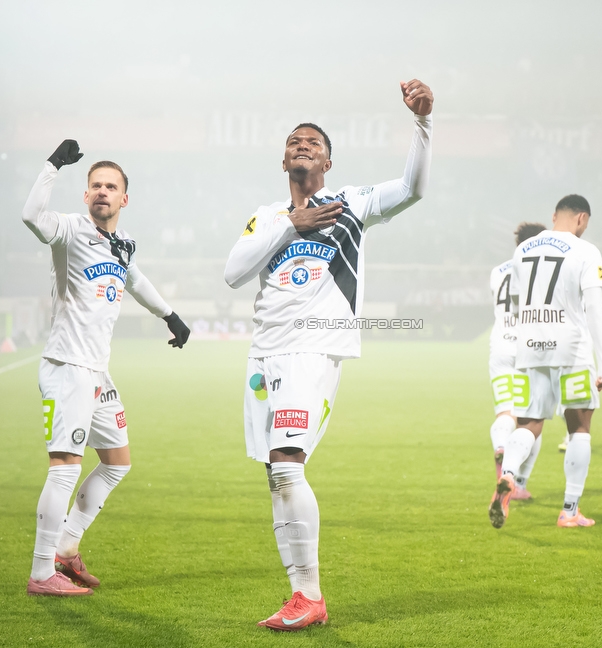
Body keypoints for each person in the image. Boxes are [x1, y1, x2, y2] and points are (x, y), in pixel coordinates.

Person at [224, 80, 433, 631]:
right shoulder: (268, 215)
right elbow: (233, 271)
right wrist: (289, 225)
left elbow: (412, 188)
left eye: (313, 141)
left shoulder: (351, 205)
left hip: (312, 346)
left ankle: (310, 595)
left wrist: (423, 124)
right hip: (264, 355)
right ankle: (301, 597)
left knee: (288, 465)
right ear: (282, 158)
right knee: (276, 471)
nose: (302, 144)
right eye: (294, 140)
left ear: (329, 161)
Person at [22, 140, 190, 596]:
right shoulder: (71, 230)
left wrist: (169, 315)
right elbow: (32, 217)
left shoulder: (122, 243)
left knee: (117, 463)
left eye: (110, 186)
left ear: (123, 198)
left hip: (98, 371)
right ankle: (41, 573)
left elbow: (133, 277)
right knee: (65, 466)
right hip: (67, 366)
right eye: (95, 185)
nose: (102, 191)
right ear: (86, 195)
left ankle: (66, 547)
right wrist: (53, 164)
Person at [489, 194, 602, 529]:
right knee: (579, 429)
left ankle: (509, 475)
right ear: (582, 219)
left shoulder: (522, 250)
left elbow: (514, 306)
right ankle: (570, 511)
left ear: (555, 215)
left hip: (529, 349)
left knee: (528, 423)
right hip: (571, 349)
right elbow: (595, 310)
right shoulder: (586, 250)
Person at [489, 222, 547, 501]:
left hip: (500, 346)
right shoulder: (541, 271)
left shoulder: (497, 272)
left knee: (504, 412)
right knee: (530, 420)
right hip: (528, 347)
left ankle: (500, 444)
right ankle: (519, 483)